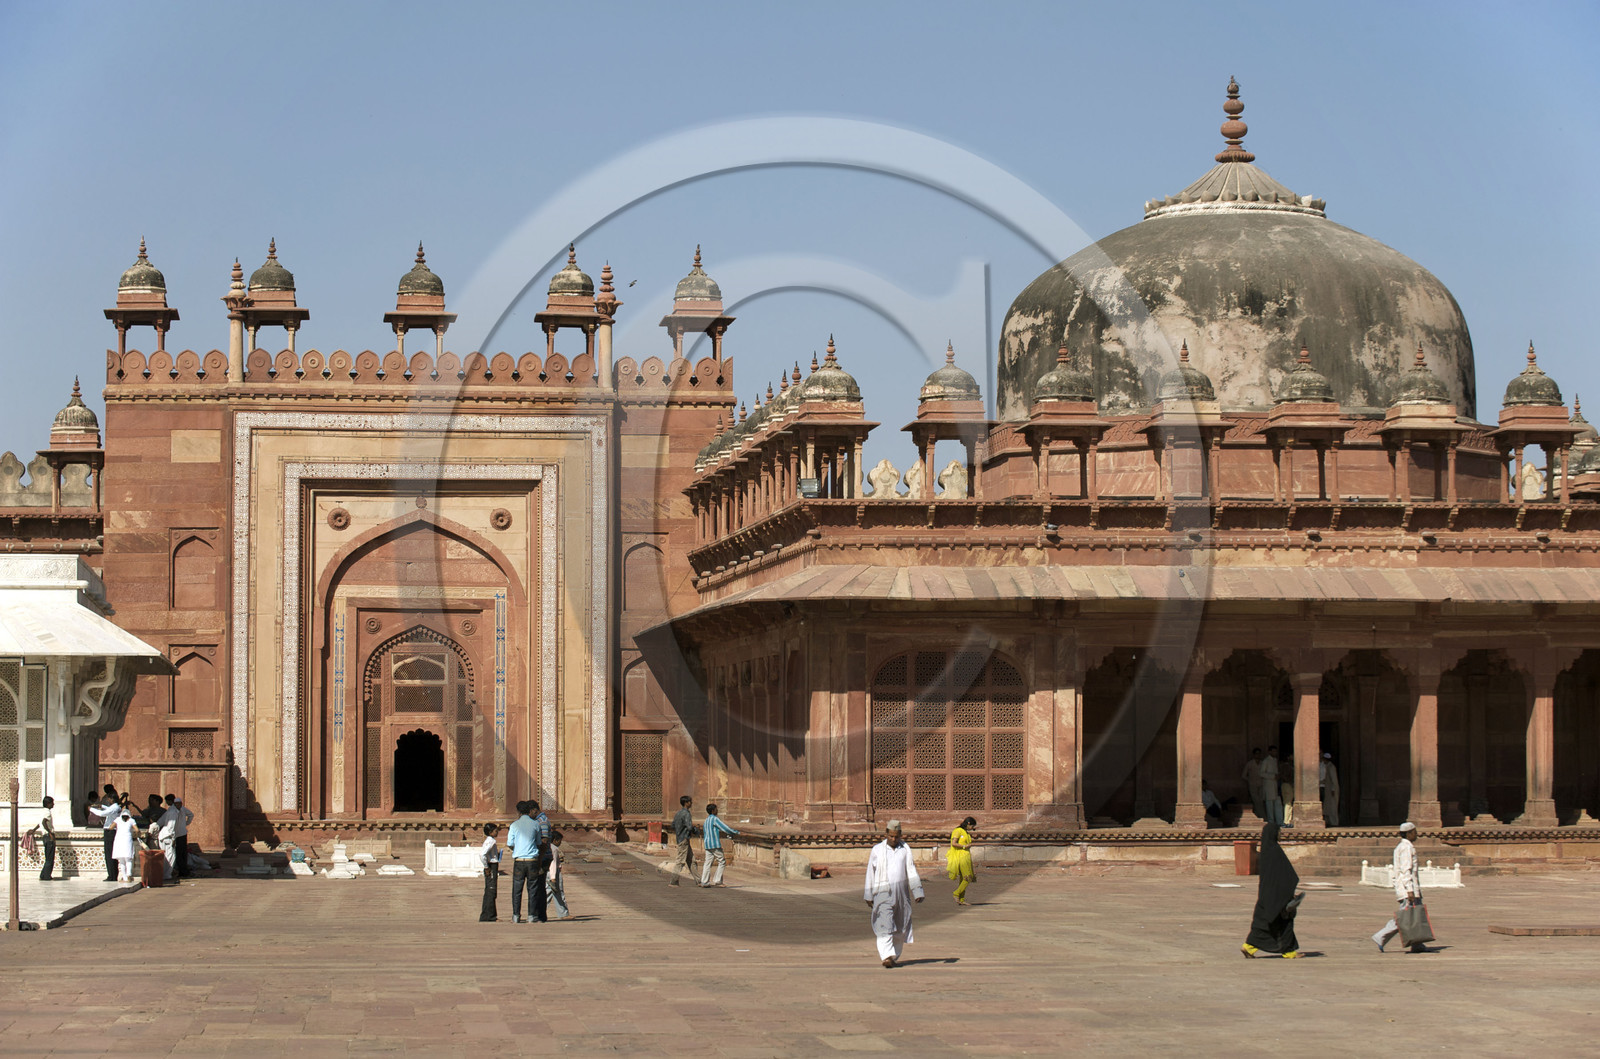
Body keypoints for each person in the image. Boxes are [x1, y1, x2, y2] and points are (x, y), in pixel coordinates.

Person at [864, 820, 924, 968]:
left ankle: (894, 956)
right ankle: (886, 956)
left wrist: (917, 891)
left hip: (901, 893)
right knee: (885, 924)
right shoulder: (877, 850)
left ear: (900, 835)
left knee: (900, 925)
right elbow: (870, 873)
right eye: (891, 836)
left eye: (896, 837)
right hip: (883, 892)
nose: (893, 839)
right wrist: (868, 894)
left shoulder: (905, 849)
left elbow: (911, 870)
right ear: (886, 834)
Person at [1241, 822, 1303, 958]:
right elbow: (1286, 874)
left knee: (1263, 924)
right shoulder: (1275, 851)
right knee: (1283, 923)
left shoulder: (1267, 851)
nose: (1280, 834)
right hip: (1278, 896)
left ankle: (1248, 947)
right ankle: (1289, 952)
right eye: (1278, 832)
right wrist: (1290, 887)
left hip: (1267, 895)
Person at [1372, 822, 1428, 953]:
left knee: (1414, 916)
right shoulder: (1406, 848)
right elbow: (1405, 870)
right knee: (1405, 916)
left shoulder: (1403, 846)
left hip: (1409, 887)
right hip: (1408, 888)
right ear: (1409, 833)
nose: (1416, 834)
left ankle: (1417, 944)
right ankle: (1381, 936)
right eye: (1414, 831)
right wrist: (1409, 889)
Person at [506, 801, 542, 924]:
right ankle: (531, 916)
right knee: (532, 889)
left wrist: (517, 849)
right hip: (532, 860)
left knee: (517, 889)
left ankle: (516, 916)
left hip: (519, 860)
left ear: (519, 812)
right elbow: (538, 842)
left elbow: (510, 843)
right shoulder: (536, 824)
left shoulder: (514, 825)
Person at [699, 803, 739, 887]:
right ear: (713, 811)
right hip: (714, 844)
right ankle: (717, 880)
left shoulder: (706, 820)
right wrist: (735, 832)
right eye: (716, 809)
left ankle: (704, 881)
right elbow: (724, 828)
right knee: (722, 861)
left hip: (707, 844)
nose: (717, 811)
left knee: (707, 863)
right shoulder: (714, 819)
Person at [88, 785, 121, 881]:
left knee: (109, 854)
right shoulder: (116, 807)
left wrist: (91, 809)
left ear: (111, 799)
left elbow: (102, 814)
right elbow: (107, 810)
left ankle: (111, 876)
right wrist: (101, 806)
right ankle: (113, 875)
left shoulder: (114, 807)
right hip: (112, 831)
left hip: (109, 831)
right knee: (112, 854)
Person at [668, 795, 698, 886]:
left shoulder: (678, 813)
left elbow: (673, 825)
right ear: (686, 803)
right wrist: (695, 830)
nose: (691, 803)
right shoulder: (686, 813)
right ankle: (673, 881)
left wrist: (679, 829)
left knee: (691, 860)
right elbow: (689, 827)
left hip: (680, 838)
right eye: (690, 802)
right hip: (684, 839)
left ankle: (699, 880)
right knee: (680, 861)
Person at [947, 816, 977, 905]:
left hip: (966, 856)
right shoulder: (958, 831)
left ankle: (961, 899)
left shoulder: (965, 832)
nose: (972, 828)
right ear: (968, 824)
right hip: (960, 857)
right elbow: (954, 843)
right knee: (968, 877)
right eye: (972, 826)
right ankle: (956, 893)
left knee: (963, 878)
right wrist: (964, 846)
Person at [164, 794, 194, 877]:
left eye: (179, 804)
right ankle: (182, 871)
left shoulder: (177, 810)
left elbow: (191, 815)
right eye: (176, 804)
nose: (178, 805)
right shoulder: (173, 810)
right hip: (178, 834)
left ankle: (183, 871)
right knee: (179, 854)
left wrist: (186, 823)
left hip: (180, 834)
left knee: (181, 853)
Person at [111, 806, 141, 883]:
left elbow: (111, 827)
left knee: (121, 860)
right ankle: (129, 875)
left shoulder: (118, 820)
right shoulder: (131, 820)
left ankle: (124, 877)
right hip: (127, 840)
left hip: (119, 840)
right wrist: (136, 835)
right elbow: (137, 830)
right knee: (128, 859)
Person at [479, 823, 501, 922]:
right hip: (491, 866)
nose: (497, 832)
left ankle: (487, 915)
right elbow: (482, 854)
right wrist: (486, 867)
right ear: (490, 832)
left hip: (492, 864)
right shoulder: (490, 841)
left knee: (490, 891)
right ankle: (490, 916)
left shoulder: (491, 841)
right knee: (491, 891)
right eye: (495, 831)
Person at [547, 830, 570, 919]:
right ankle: (563, 914)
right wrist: (553, 877)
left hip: (547, 873)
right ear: (555, 840)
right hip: (554, 873)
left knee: (547, 893)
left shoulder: (547, 847)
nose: (560, 843)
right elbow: (553, 863)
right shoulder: (554, 849)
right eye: (559, 840)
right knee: (559, 893)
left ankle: (539, 911)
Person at [36, 795, 57, 881]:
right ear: (48, 804)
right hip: (48, 837)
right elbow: (44, 822)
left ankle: (43, 875)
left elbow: (40, 824)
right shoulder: (47, 812)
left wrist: (33, 830)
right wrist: (50, 832)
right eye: (52, 803)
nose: (53, 804)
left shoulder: (43, 812)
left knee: (48, 857)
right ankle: (47, 876)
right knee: (50, 858)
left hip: (44, 836)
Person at [1261, 747, 1283, 825]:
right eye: (1273, 751)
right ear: (1269, 752)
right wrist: (1272, 776)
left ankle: (1279, 821)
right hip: (1269, 784)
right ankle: (1271, 821)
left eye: (1276, 751)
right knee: (1269, 803)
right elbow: (1261, 773)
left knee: (1277, 803)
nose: (1275, 753)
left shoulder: (1275, 760)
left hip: (1275, 784)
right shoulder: (1266, 761)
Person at [1241, 748, 1265, 819]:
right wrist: (1250, 780)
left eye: (1259, 753)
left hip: (1261, 784)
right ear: (1254, 755)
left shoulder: (1262, 763)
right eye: (1256, 753)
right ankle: (1263, 816)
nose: (1258, 755)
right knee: (1256, 800)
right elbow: (1243, 775)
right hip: (1253, 785)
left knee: (1260, 800)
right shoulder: (1250, 764)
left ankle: (1258, 815)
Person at [1320, 752, 1341, 827]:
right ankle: (1330, 821)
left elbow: (1334, 780)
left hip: (1332, 790)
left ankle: (1334, 822)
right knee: (1328, 806)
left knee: (1333, 807)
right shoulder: (1328, 766)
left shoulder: (1331, 767)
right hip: (1328, 789)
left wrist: (1333, 789)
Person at [1280, 755, 1295, 827]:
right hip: (1287, 785)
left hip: (1285, 785)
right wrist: (1291, 784)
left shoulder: (1283, 766)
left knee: (1287, 803)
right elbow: (1285, 776)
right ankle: (1287, 821)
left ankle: (1287, 820)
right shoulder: (1287, 766)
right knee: (1288, 803)